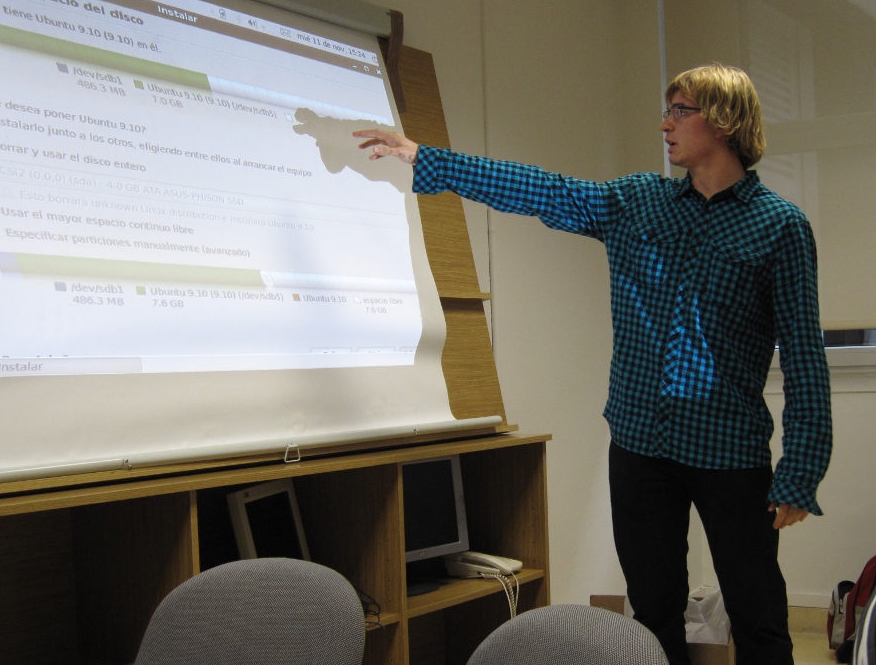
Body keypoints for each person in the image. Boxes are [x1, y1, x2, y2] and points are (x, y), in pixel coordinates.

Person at [354, 63, 832, 665]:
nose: (665, 124)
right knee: (652, 611)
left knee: (758, 615)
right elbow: (543, 190)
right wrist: (429, 159)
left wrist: (800, 470)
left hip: (729, 451)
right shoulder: (638, 201)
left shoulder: (780, 227)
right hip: (639, 445)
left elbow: (805, 355)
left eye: (680, 111)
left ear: (723, 120)